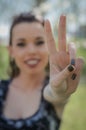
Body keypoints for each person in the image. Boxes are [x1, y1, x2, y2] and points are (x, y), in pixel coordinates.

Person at [0, 11, 84, 130]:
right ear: (11, 51)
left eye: (39, 42)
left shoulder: (52, 88)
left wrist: (59, 91)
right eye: (21, 44)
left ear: (49, 47)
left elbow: (54, 94)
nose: (31, 51)